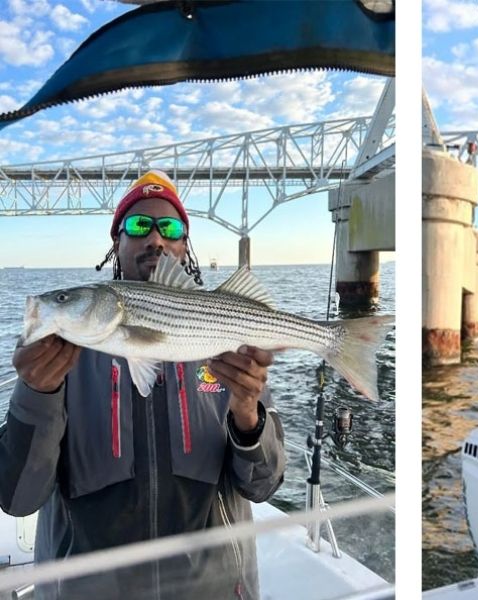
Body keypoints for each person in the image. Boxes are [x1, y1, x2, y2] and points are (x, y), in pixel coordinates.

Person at [0, 170, 286, 600]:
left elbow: (263, 485)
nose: (156, 238)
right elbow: (17, 497)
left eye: (171, 228)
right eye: (138, 226)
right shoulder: (59, 357)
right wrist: (36, 393)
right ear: (116, 242)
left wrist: (248, 414)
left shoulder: (225, 345)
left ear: (184, 245)